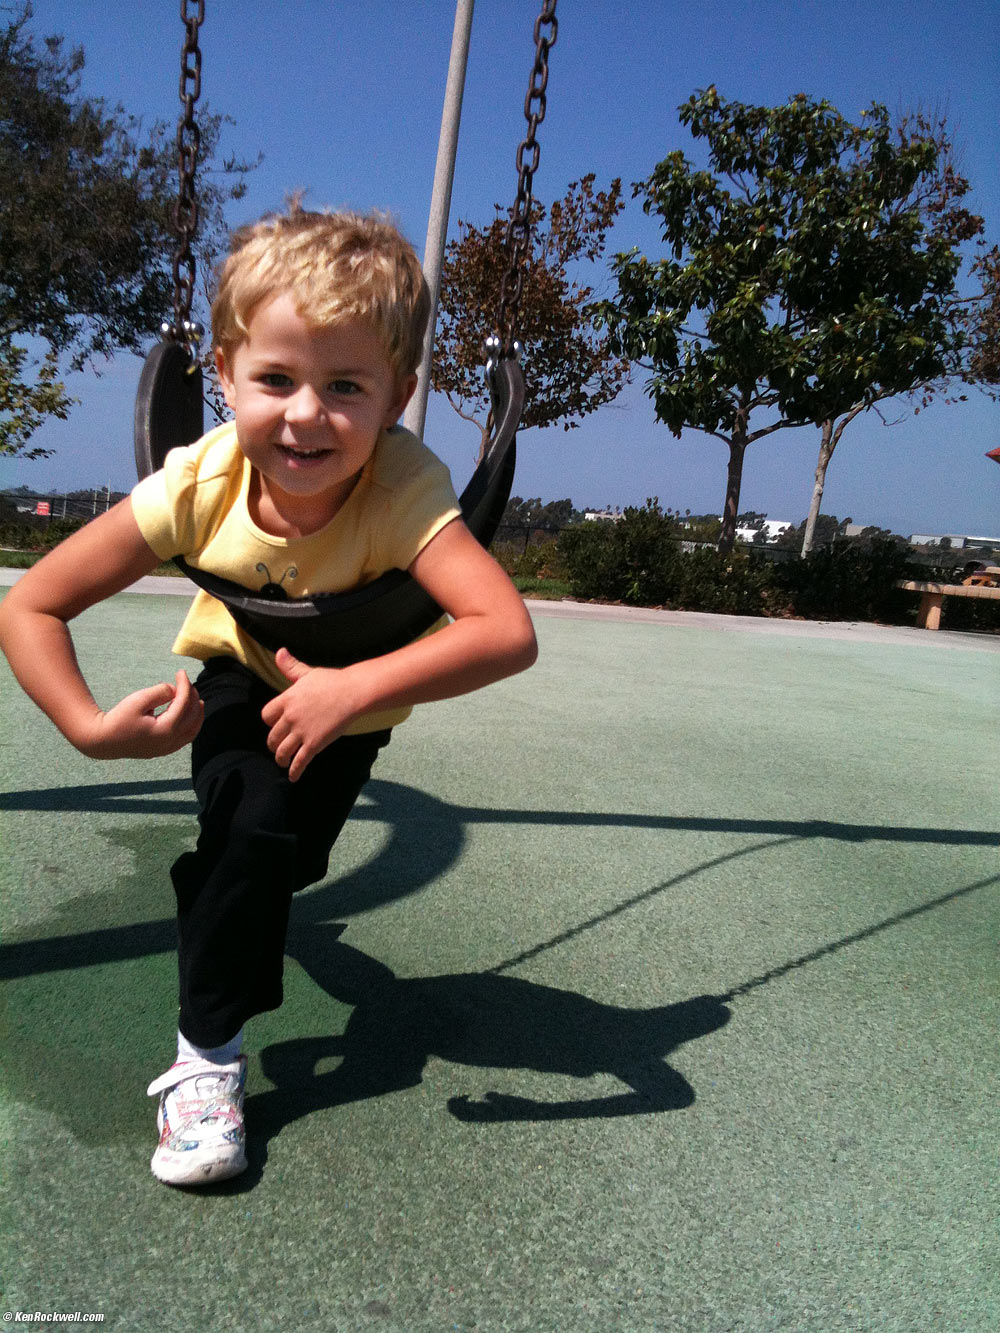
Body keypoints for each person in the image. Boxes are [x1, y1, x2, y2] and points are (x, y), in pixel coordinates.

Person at [0, 204, 537, 1187]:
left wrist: (355, 688)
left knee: (282, 866)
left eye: (345, 386)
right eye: (276, 378)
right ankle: (205, 1062)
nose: (305, 414)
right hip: (239, 683)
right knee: (249, 829)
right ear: (225, 374)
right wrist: (86, 728)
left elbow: (505, 630)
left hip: (356, 704)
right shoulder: (197, 482)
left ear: (399, 394)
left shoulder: (405, 489)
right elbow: (34, 603)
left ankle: (219, 895)